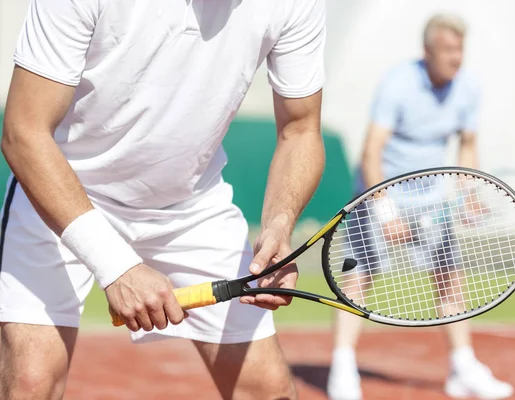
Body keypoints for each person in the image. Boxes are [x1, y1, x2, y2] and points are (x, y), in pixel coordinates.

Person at [0, 0, 326, 399]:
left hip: (192, 206)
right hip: (62, 194)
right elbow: (24, 132)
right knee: (30, 385)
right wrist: (116, 265)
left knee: (268, 391)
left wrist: (279, 223)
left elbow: (301, 129)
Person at [326, 13, 514, 400]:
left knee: (450, 276)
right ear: (426, 51)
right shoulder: (398, 83)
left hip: (430, 201)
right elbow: (370, 151)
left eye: (459, 50)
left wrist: (468, 192)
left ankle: (463, 369)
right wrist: (386, 212)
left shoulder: (468, 87)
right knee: (358, 277)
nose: (455, 58)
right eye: (447, 50)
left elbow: (466, 144)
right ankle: (342, 370)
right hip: (379, 195)